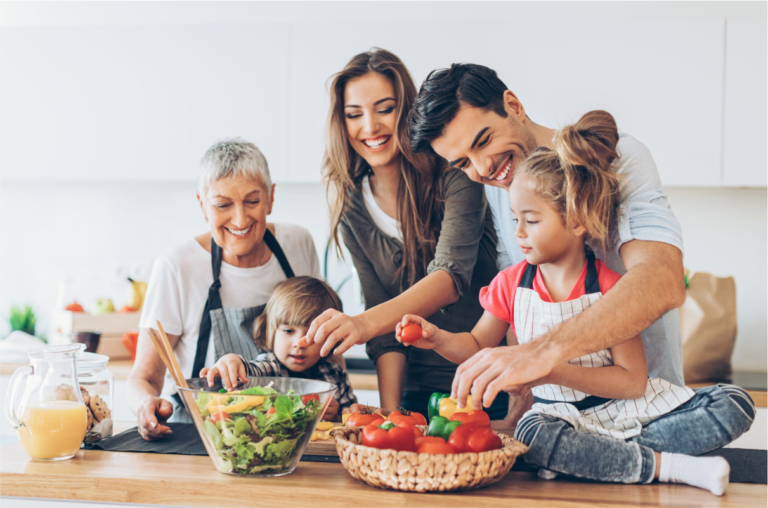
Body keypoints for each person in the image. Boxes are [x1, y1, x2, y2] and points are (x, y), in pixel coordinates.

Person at [398, 111, 754, 495]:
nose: (518, 233)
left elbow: (633, 382)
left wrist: (549, 369)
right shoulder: (510, 284)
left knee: (735, 403)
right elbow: (475, 345)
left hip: (626, 412)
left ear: (577, 220)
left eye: (531, 221)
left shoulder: (611, 289)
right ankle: (666, 466)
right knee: (535, 434)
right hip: (560, 420)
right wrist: (437, 338)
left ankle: (591, 460)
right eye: (515, 219)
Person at [407, 63, 689, 417]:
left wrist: (540, 355)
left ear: (513, 105)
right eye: (463, 162)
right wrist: (518, 411)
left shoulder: (620, 157)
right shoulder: (502, 187)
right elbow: (518, 311)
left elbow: (662, 280)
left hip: (650, 409)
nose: (483, 169)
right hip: (561, 417)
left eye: (483, 141)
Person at [299, 49, 505, 419]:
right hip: (416, 394)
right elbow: (382, 324)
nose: (370, 126)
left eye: (384, 108)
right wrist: (391, 415)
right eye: (354, 114)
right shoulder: (351, 205)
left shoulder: (455, 172)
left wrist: (361, 324)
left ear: (407, 112)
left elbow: (449, 278)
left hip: (487, 383)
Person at [128, 139, 321, 440]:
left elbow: (326, 345)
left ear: (271, 197)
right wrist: (145, 405)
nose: (240, 219)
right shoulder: (176, 266)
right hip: (202, 439)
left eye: (252, 201)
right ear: (202, 205)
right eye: (223, 205)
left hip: (288, 435)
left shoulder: (298, 244)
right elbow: (144, 377)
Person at [200, 276, 357, 421]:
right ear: (270, 332)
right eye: (288, 331)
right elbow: (250, 370)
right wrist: (232, 361)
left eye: (312, 335)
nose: (299, 343)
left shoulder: (335, 372)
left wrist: (337, 415)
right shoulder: (270, 366)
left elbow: (351, 417)